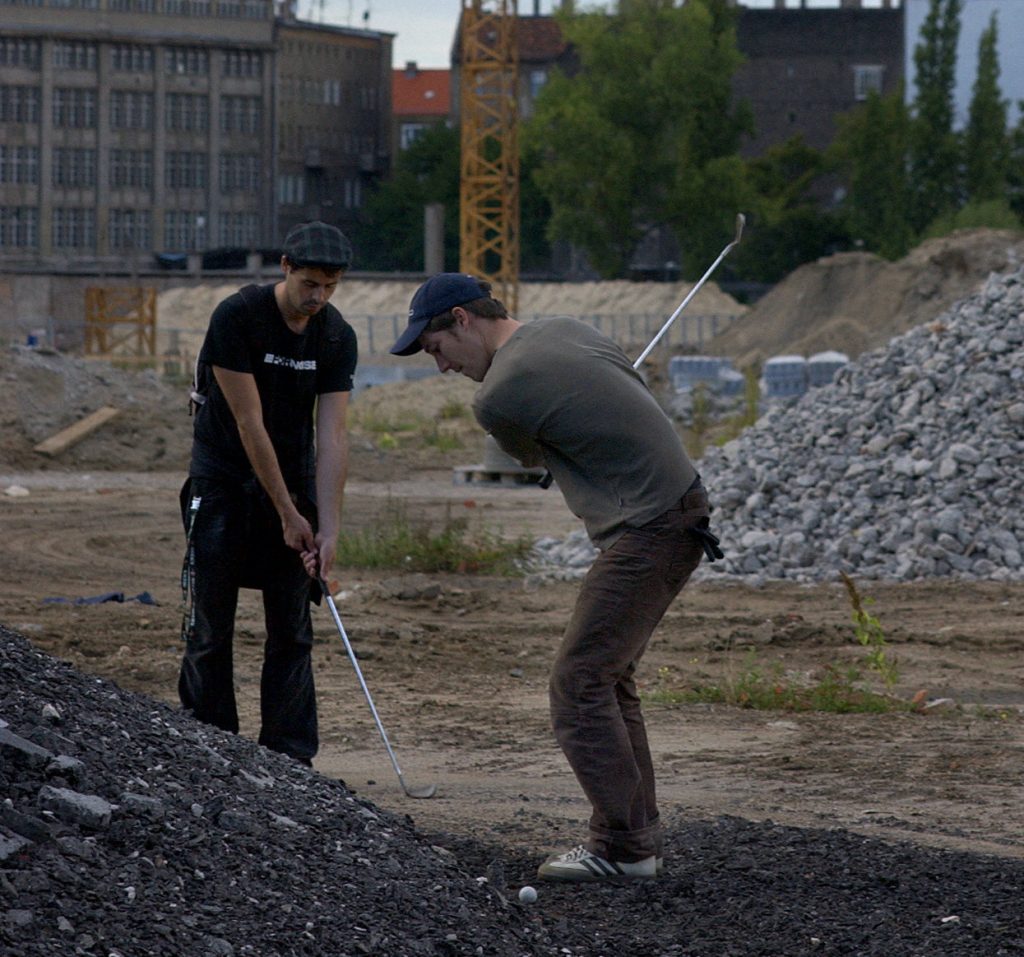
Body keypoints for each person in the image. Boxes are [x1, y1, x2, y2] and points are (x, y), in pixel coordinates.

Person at [389, 273, 722, 882]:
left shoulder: (498, 395)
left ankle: (623, 849)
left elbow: (529, 457)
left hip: (649, 530)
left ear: (462, 319)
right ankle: (635, 837)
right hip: (679, 514)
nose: (440, 367)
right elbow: (623, 393)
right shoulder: (565, 329)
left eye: (436, 349)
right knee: (607, 679)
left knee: (579, 685)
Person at [178, 221, 357, 766]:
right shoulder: (238, 317)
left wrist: (326, 526)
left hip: (294, 482)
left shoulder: (335, 335)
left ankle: (289, 754)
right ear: (285, 268)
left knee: (292, 630)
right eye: (309, 283)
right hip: (224, 481)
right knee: (212, 626)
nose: (317, 297)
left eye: (329, 286)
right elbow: (247, 422)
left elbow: (333, 435)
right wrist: (284, 511)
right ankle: (211, 745)